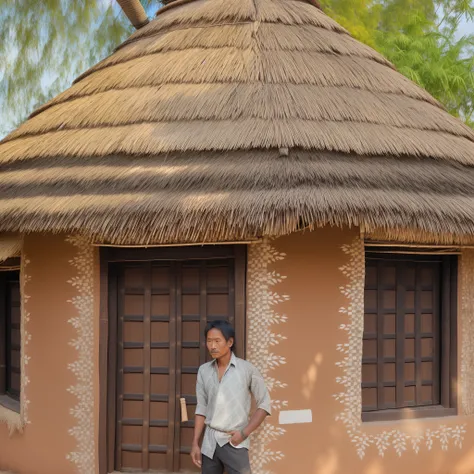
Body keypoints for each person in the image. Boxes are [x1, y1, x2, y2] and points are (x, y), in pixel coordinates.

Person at [191, 320, 271, 474]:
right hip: (209, 443)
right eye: (209, 341)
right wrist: (195, 442)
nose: (212, 346)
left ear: (230, 342)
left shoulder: (247, 370)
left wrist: (243, 433)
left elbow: (264, 404)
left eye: (217, 341)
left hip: (234, 442)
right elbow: (201, 407)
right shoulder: (204, 371)